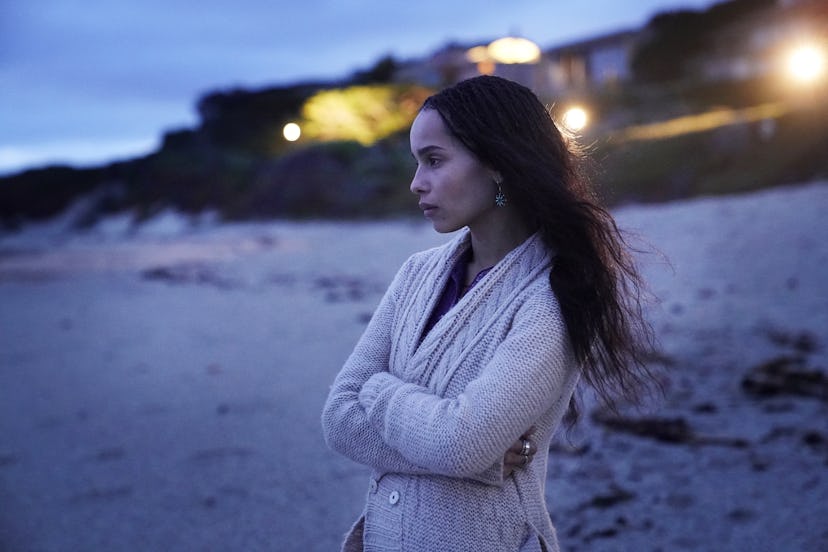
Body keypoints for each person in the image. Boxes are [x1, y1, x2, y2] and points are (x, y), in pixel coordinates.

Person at [321, 75, 655, 552]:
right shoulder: (418, 273)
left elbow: (456, 441)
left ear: (498, 165)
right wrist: (478, 460)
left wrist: (375, 389)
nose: (416, 183)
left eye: (434, 160)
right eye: (417, 163)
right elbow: (338, 419)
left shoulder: (551, 296)